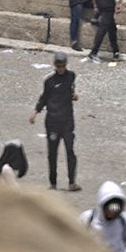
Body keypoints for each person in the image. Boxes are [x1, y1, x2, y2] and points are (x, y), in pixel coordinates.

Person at [28, 53, 80, 191]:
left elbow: (71, 91)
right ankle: (53, 183)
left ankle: (71, 182)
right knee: (52, 153)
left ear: (66, 65)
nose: (61, 68)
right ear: (54, 65)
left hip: (68, 121)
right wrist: (35, 112)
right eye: (58, 66)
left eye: (63, 66)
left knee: (70, 151)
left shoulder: (71, 76)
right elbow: (44, 98)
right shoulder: (49, 80)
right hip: (52, 121)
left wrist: (74, 96)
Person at [80, 181, 126, 252]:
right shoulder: (87, 218)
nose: (113, 212)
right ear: (102, 205)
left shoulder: (124, 219)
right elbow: (71, 242)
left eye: (117, 208)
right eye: (110, 208)